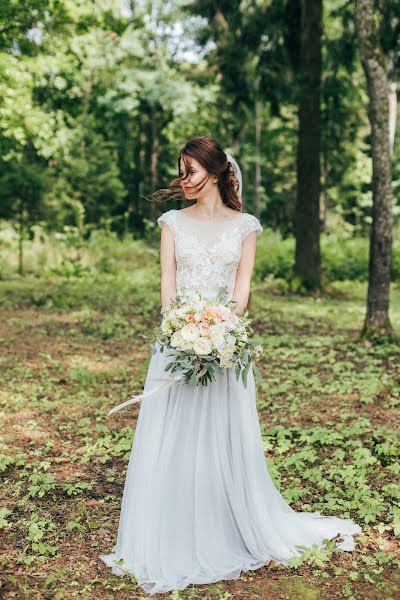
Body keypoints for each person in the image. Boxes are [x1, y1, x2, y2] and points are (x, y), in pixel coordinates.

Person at [100, 136, 361, 596]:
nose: (184, 181)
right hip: (176, 341)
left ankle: (225, 518)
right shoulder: (172, 223)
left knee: (220, 432)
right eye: (181, 172)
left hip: (224, 346)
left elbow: (242, 291)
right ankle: (172, 523)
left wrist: (220, 330)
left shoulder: (245, 226)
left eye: (192, 172)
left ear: (217, 173)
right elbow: (168, 285)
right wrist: (180, 330)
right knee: (174, 432)